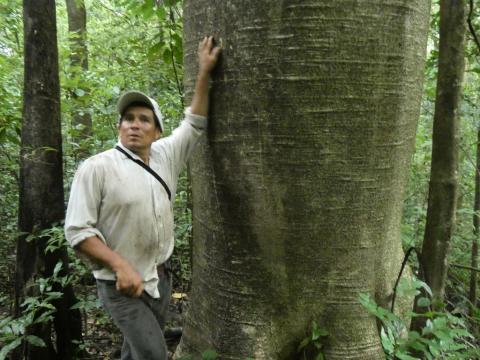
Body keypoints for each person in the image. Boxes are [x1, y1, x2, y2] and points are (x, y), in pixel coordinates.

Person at [64, 36, 221, 360]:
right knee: (152, 354)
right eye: (128, 119)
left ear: (157, 131)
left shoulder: (166, 156)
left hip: (160, 280)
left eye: (144, 120)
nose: (134, 125)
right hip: (120, 284)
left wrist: (204, 71)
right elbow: (78, 231)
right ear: (119, 126)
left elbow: (194, 123)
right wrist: (120, 265)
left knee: (134, 354)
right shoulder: (97, 167)